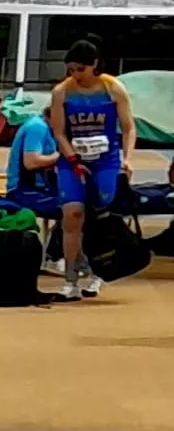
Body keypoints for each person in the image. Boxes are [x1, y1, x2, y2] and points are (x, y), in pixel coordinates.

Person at [48, 40, 136, 300]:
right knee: (72, 215)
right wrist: (73, 160)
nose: (76, 75)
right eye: (71, 69)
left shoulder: (113, 88)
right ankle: (70, 279)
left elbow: (128, 127)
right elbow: (58, 132)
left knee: (101, 214)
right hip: (73, 159)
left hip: (105, 160)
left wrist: (127, 159)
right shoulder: (62, 92)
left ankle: (98, 271)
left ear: (94, 65)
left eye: (80, 69)